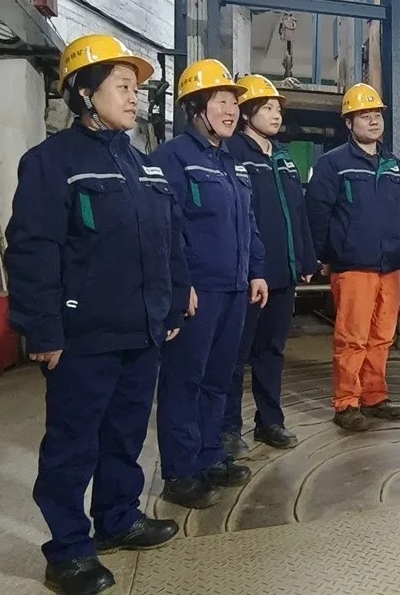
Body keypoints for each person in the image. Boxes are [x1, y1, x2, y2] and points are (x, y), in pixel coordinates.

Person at [4, 34, 188, 595]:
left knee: (125, 435)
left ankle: (118, 519)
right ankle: (68, 550)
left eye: (137, 89)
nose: (135, 98)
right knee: (72, 443)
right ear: (85, 93)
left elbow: (168, 242)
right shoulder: (51, 163)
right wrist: (43, 328)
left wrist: (172, 303)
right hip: (82, 335)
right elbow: (32, 250)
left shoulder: (143, 166)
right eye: (123, 86)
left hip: (141, 329)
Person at [152, 59, 269, 508]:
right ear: (195, 107)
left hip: (235, 288)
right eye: (221, 101)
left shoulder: (232, 162)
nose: (231, 111)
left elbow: (249, 222)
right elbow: (166, 228)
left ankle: (210, 455)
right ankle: (181, 472)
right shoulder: (173, 158)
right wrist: (180, 284)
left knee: (219, 378)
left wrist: (256, 269)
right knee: (185, 380)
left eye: (234, 103)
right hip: (199, 291)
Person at [222, 74, 317, 457]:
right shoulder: (233, 153)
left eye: (278, 109)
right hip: (249, 275)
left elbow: (299, 212)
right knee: (235, 353)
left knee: (272, 351)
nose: (276, 115)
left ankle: (270, 421)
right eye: (267, 108)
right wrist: (248, 268)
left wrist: (305, 258)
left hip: (283, 272)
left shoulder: (283, 158)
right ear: (246, 114)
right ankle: (228, 428)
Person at [305, 82, 400, 432]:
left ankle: (374, 395)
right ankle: (347, 402)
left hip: (389, 266)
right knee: (353, 337)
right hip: (352, 265)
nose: (373, 121)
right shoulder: (332, 165)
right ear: (349, 123)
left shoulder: (396, 167)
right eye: (364, 115)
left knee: (382, 335)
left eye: (377, 114)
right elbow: (317, 213)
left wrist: (398, 244)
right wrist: (321, 255)